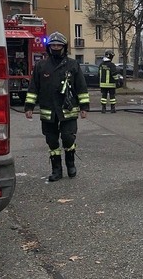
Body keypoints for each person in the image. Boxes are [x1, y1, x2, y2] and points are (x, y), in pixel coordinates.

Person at [24, 32, 90, 181]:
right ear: (49, 47)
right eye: (53, 45)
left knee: (67, 138)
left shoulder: (72, 65)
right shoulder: (41, 66)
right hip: (48, 110)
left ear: (64, 47)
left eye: (58, 45)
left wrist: (84, 107)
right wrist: (29, 106)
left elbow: (81, 87)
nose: (55, 48)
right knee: (52, 141)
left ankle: (71, 164)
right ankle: (56, 170)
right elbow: (33, 88)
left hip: (68, 109)